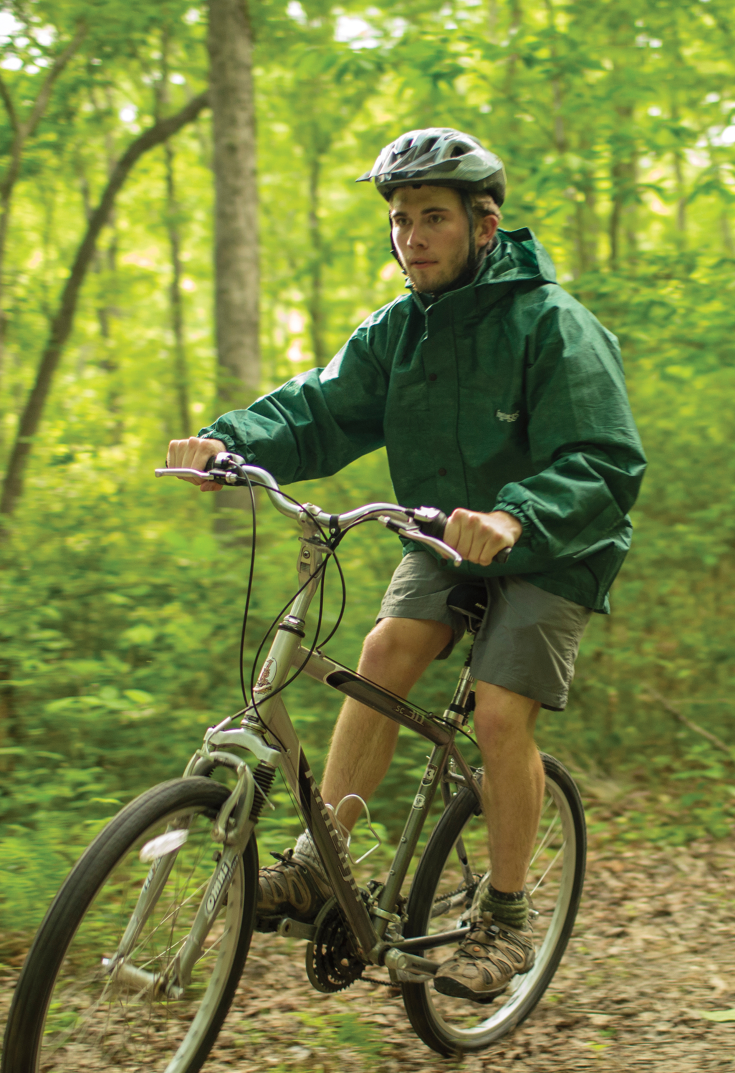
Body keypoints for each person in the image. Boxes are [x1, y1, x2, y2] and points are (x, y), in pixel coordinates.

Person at [167, 128, 645, 1002]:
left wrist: (514, 514)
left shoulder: (554, 323)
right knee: (384, 652)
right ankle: (324, 859)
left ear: (485, 223)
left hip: (557, 541)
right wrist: (226, 443)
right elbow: (319, 408)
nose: (412, 237)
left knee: (501, 716)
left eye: (433, 217)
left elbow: (605, 463)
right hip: (439, 533)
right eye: (400, 220)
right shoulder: (400, 331)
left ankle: (505, 920)